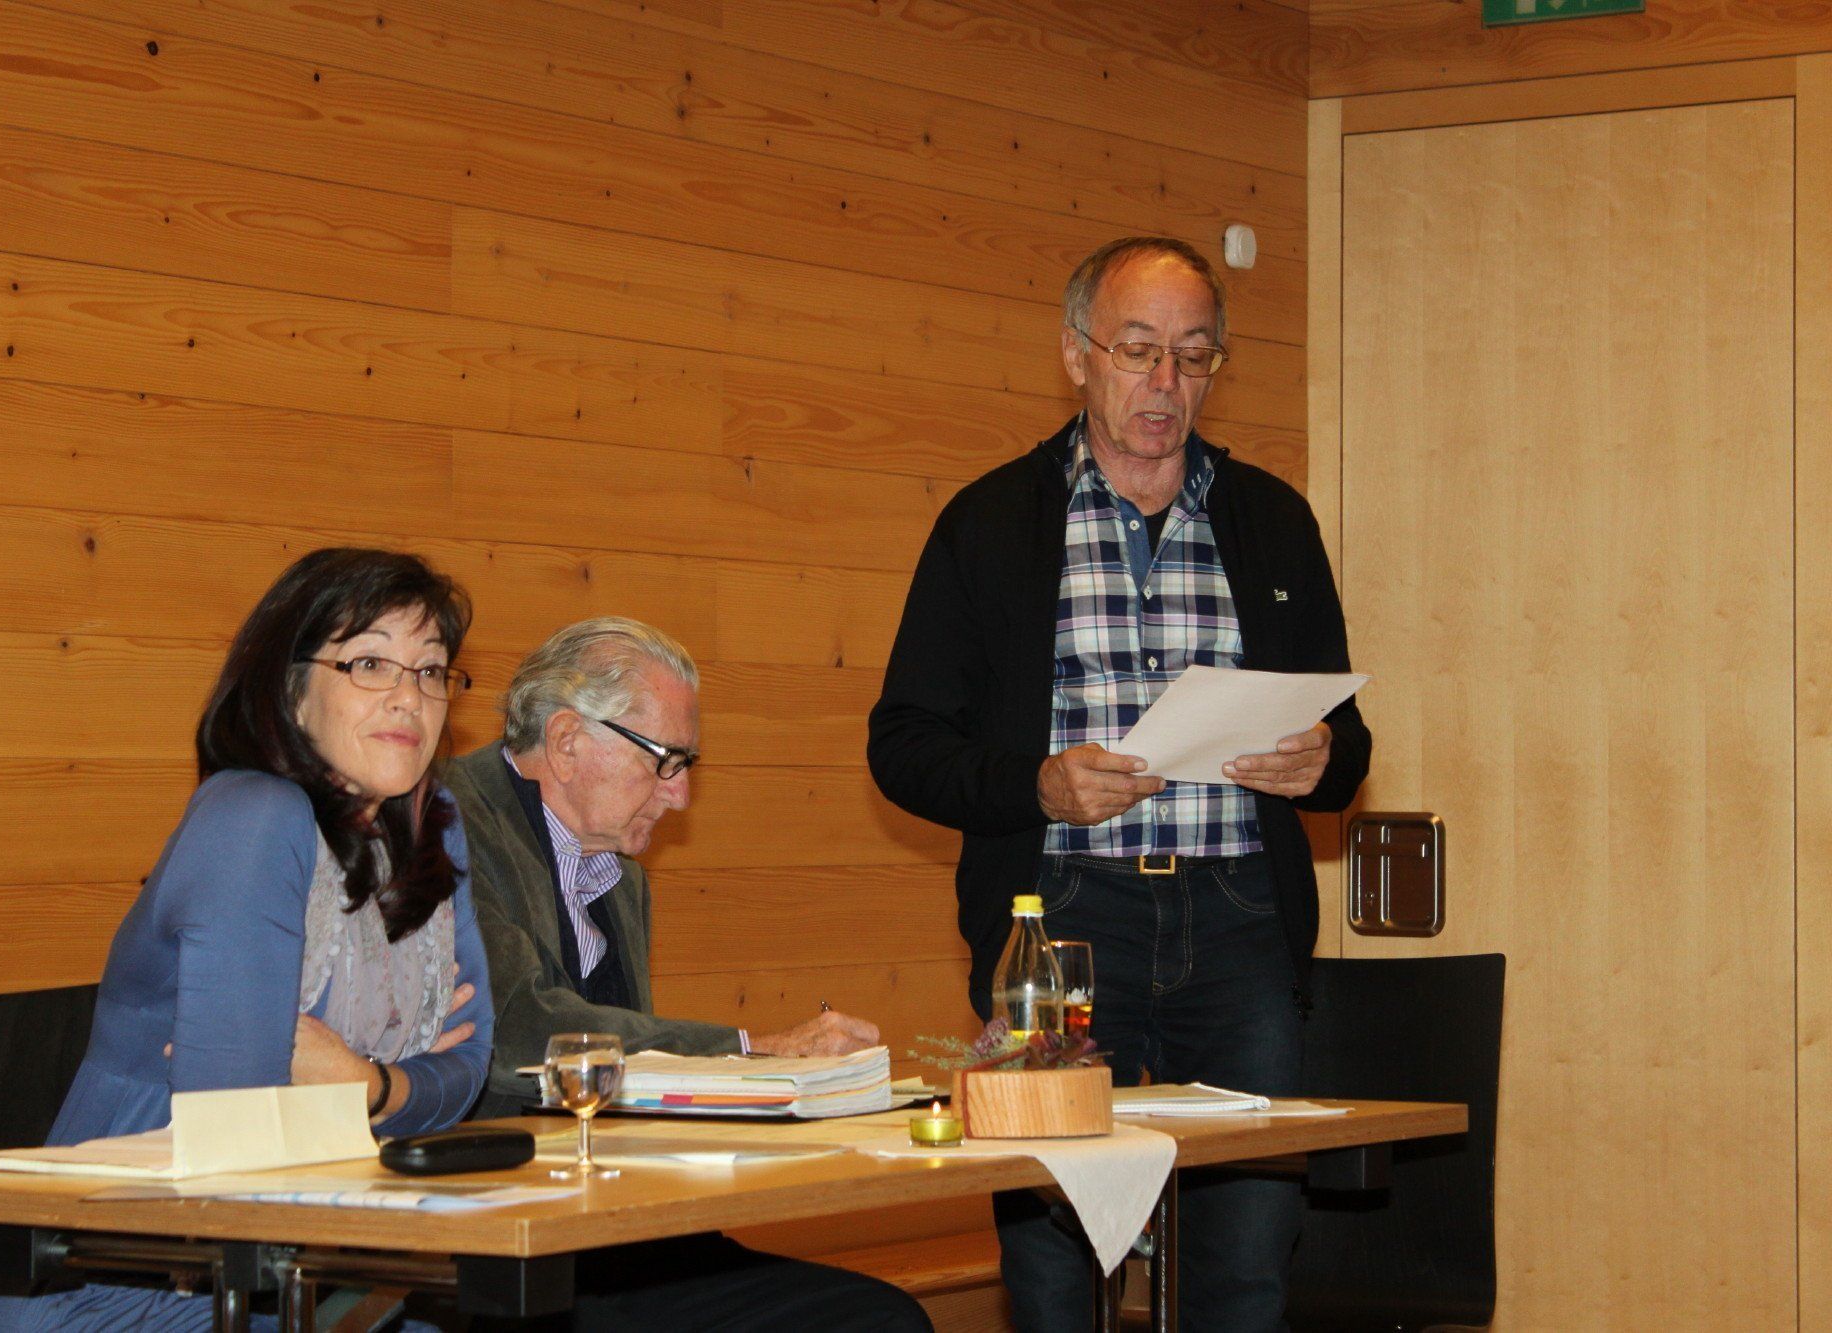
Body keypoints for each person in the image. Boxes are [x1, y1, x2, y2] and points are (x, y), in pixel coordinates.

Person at [868, 236, 1371, 1332]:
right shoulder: (990, 522)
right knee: (1054, 1266)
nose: (1165, 383)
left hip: (1239, 921)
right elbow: (901, 744)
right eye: (1138, 351)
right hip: (1056, 925)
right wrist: (1035, 786)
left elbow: (1343, 740)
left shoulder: (1271, 519)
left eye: (1193, 357)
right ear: (1075, 356)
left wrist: (1320, 760)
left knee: (1244, 1260)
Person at [0, 547, 495, 1331]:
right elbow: (238, 1123)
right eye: (370, 664)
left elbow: (467, 1067)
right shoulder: (250, 818)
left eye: (430, 670)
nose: (409, 696)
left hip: (308, 1260)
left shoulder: (433, 829)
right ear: (290, 691)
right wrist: (402, 1090)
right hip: (129, 1275)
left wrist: (364, 1084)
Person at [445, 616, 930, 1333]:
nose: (680, 796)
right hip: (502, 1238)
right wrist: (752, 1053)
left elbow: (633, 1088)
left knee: (878, 1319)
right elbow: (516, 1030)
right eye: (666, 761)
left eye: (686, 764)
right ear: (568, 741)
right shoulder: (448, 823)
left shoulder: (620, 879)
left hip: (618, 1224)